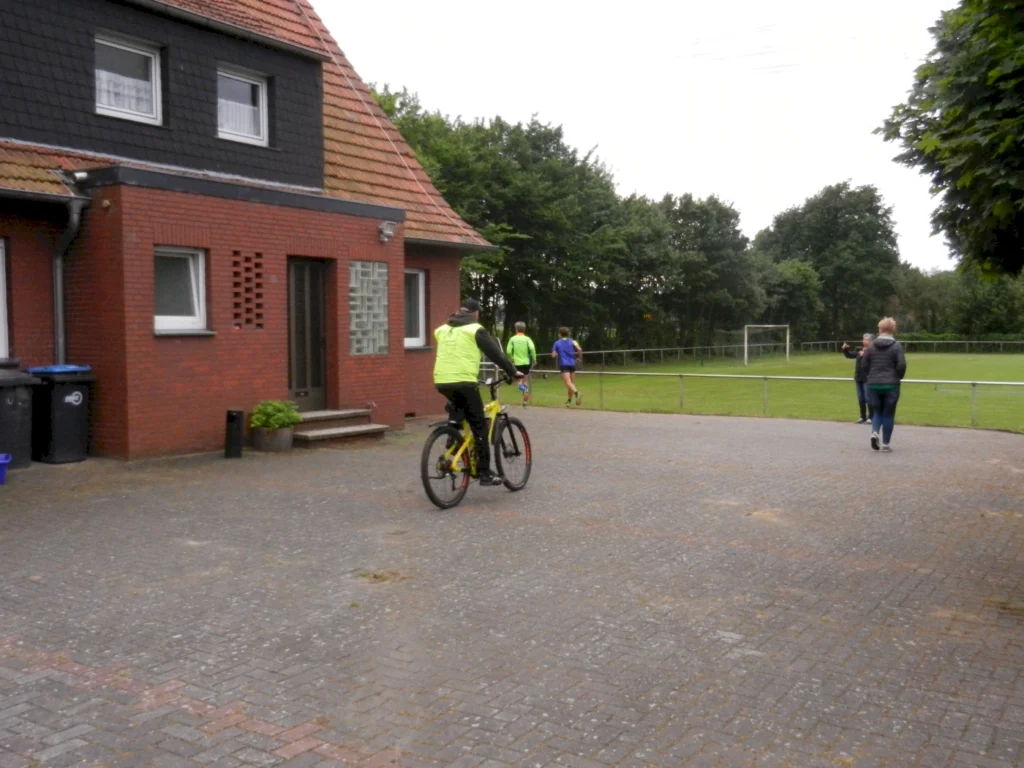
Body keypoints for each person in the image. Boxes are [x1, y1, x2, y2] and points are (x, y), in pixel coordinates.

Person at [433, 299, 523, 485]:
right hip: (464, 381)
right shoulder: (475, 329)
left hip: (441, 381)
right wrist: (513, 372)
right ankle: (485, 473)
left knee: (458, 406)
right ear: (474, 313)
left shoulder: (441, 329)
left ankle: (453, 434)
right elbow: (495, 354)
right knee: (479, 424)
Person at [862, 317, 907, 453]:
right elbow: (901, 365)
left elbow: (864, 364)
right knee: (888, 414)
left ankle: (875, 432)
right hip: (891, 385)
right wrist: (897, 377)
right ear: (893, 329)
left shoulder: (871, 346)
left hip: (873, 383)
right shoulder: (897, 346)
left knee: (876, 412)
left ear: (880, 329)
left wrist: (870, 377)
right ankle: (886, 444)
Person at [841, 334, 874, 423]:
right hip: (858, 377)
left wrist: (865, 355)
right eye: (864, 339)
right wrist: (845, 349)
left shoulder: (872, 351)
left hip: (867, 378)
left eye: (866, 339)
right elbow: (849, 355)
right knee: (861, 398)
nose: (864, 341)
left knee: (868, 398)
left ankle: (871, 417)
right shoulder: (860, 350)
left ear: (871, 341)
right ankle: (862, 417)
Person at [505, 321, 537, 407]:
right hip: (526, 362)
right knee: (525, 380)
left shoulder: (513, 339)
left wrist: (511, 358)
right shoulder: (527, 339)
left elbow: (508, 351)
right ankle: (525, 401)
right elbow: (532, 348)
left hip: (517, 363)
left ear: (516, 329)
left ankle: (524, 390)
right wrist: (534, 359)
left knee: (519, 382)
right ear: (524, 329)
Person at [551, 327, 583, 407]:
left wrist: (556, 354)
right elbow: (579, 349)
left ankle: (577, 393)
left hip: (564, 364)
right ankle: (569, 401)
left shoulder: (557, 343)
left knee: (568, 383)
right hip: (572, 364)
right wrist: (579, 358)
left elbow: (553, 355)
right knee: (571, 384)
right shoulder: (573, 341)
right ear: (568, 334)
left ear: (559, 334)